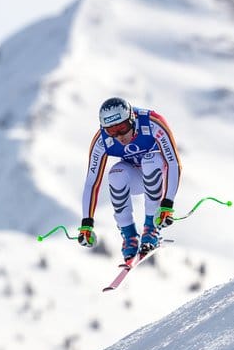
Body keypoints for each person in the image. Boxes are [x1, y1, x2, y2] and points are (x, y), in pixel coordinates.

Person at [78, 97, 182, 262]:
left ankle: (151, 228)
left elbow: (173, 163)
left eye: (122, 128)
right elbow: (92, 182)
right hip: (135, 178)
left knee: (150, 161)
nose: (119, 136)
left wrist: (167, 204)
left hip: (158, 172)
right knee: (115, 174)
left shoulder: (152, 122)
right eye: (112, 131)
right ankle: (129, 237)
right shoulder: (102, 140)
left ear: (132, 118)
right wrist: (86, 224)